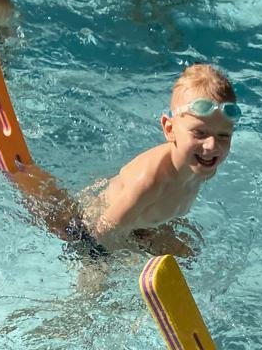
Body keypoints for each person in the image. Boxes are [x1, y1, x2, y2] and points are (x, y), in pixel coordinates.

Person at [65, 63, 238, 253]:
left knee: (189, 254)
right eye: (199, 133)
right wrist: (129, 257)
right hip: (94, 226)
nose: (212, 145)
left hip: (142, 226)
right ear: (169, 129)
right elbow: (103, 232)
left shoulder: (203, 165)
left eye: (223, 135)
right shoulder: (149, 182)